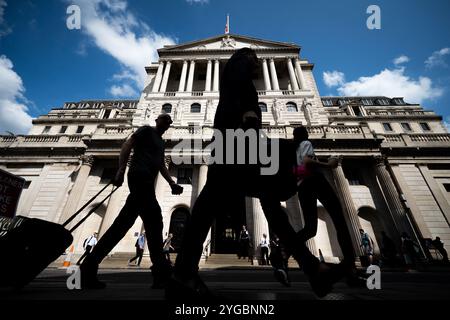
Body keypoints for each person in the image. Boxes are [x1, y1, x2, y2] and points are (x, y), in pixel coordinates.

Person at [169, 48, 342, 300]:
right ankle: (311, 266)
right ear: (243, 61)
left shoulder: (229, 87)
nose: (258, 66)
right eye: (254, 61)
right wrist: (256, 138)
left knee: (250, 207)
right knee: (250, 206)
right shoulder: (242, 84)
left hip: (228, 151)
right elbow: (248, 115)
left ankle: (311, 266)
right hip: (240, 152)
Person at [80, 114, 184, 289]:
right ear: (157, 120)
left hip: (148, 182)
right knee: (154, 221)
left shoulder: (160, 143)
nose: (167, 123)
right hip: (138, 176)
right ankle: (160, 272)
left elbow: (161, 166)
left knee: (124, 224)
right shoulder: (145, 130)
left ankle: (89, 266)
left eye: (169, 122)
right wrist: (121, 169)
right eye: (164, 120)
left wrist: (172, 183)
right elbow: (127, 145)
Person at [293, 125, 363, 287]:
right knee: (340, 222)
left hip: (302, 186)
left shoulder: (293, 151)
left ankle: (284, 247)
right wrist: (329, 164)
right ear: (305, 134)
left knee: (310, 228)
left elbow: (298, 167)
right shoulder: (305, 143)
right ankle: (351, 269)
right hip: (316, 181)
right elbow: (307, 161)